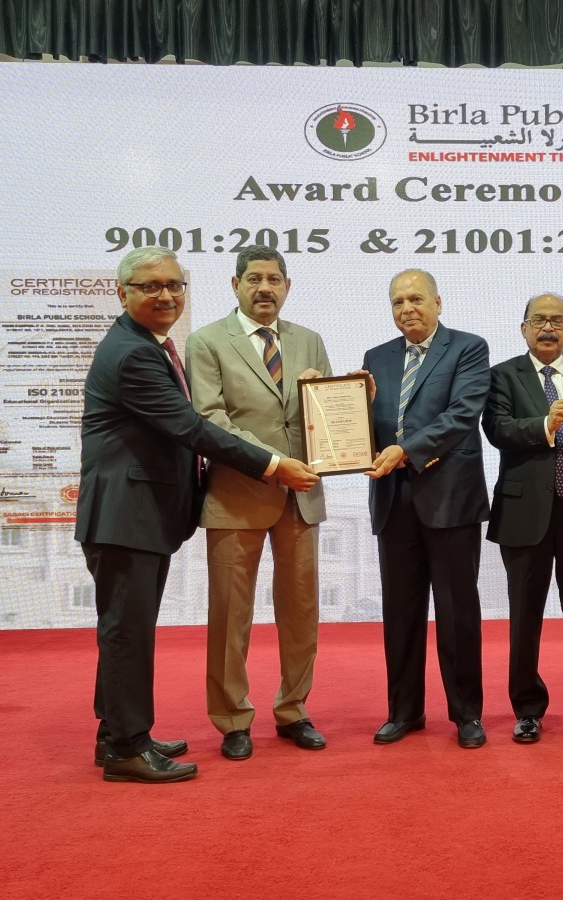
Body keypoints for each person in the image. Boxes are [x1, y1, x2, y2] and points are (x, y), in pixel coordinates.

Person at [76, 246, 318, 783]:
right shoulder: (135, 353)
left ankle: (116, 733)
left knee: (125, 630)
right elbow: (193, 428)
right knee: (126, 633)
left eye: (173, 285)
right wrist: (275, 463)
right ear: (122, 293)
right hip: (126, 514)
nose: (165, 295)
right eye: (150, 286)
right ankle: (125, 748)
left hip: (138, 515)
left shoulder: (148, 344)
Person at [185, 246, 329, 761]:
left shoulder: (308, 340)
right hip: (237, 495)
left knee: (301, 612)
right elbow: (209, 419)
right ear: (235, 284)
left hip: (301, 499)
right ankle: (231, 719)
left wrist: (349, 403)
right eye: (254, 279)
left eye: (274, 279)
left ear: (287, 286)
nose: (264, 287)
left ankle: (294, 709)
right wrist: (275, 464)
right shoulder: (206, 341)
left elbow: (326, 421)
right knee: (230, 614)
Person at [362, 269, 490, 749]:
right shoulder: (377, 357)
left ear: (438, 301)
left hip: (449, 497)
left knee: (458, 612)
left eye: (416, 298)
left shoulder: (467, 348)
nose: (407, 308)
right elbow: (370, 425)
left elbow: (462, 414)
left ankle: (466, 714)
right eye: (397, 302)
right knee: (400, 611)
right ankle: (404, 711)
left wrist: (406, 450)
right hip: (393, 499)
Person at [483, 293, 563, 746]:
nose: (548, 328)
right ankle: (527, 708)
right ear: (523, 328)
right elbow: (497, 429)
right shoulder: (502, 375)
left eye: (557, 320)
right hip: (525, 512)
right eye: (538, 320)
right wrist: (545, 423)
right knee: (525, 616)